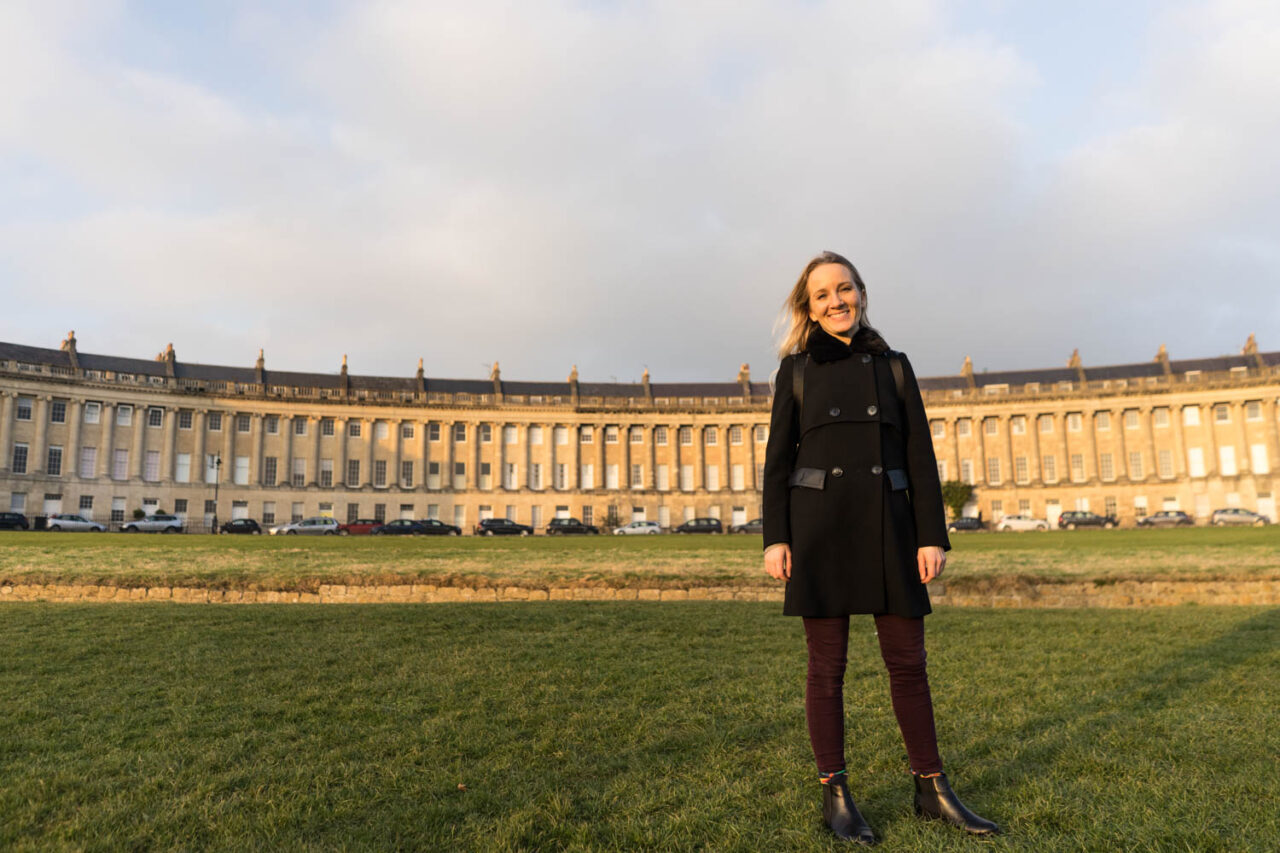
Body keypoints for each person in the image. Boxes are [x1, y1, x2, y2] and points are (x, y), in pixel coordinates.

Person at [762, 251, 1000, 844]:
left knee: (909, 665)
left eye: (844, 289)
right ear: (808, 308)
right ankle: (835, 795)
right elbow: (778, 462)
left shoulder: (894, 367)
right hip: (820, 528)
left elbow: (919, 452)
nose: (836, 301)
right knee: (827, 670)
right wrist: (776, 537)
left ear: (861, 294)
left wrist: (930, 534)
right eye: (822, 294)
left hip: (890, 526)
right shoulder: (795, 372)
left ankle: (932, 789)